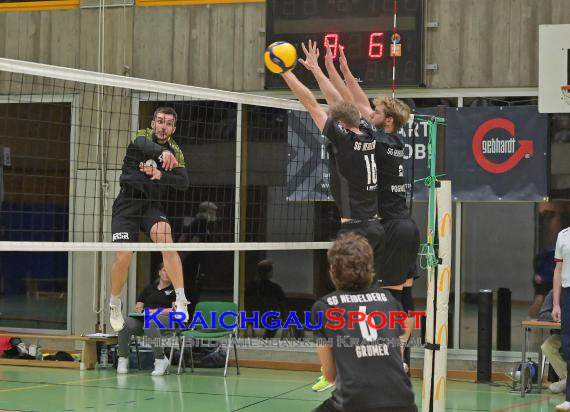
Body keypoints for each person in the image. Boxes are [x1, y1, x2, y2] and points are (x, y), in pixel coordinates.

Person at [279, 42, 386, 294]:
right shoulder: (368, 131)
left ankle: (354, 334)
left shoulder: (345, 141)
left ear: (339, 124)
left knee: (350, 294)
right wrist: (317, 69)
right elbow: (338, 102)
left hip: (356, 229)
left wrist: (286, 71)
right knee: (371, 292)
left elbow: (311, 104)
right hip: (376, 227)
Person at [310, 233, 417, 412]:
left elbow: (330, 376)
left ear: (332, 270)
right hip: (404, 403)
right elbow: (397, 359)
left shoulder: (324, 307)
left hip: (355, 403)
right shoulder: (389, 301)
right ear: (370, 269)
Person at [109, 106, 190, 332]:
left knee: (166, 240)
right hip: (127, 204)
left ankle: (181, 299)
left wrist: (161, 174)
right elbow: (144, 145)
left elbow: (183, 182)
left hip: (151, 206)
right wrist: (161, 153)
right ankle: (115, 303)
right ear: (153, 123)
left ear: (173, 128)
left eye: (168, 123)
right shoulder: (141, 136)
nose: (163, 127)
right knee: (124, 257)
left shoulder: (176, 151)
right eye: (160, 121)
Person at [116, 262, 175, 376]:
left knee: (151, 322)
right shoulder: (149, 288)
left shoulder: (175, 291)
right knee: (123, 323)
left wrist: (157, 311)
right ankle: (123, 358)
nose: (167, 273)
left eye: (170, 271)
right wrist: (139, 309)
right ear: (159, 273)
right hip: (144, 319)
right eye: (164, 270)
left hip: (167, 320)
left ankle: (160, 359)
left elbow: (175, 310)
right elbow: (139, 305)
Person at [178, 201, 218, 313]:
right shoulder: (201, 221)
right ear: (208, 211)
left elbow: (183, 237)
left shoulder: (197, 222)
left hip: (194, 262)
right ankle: (190, 316)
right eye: (214, 210)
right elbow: (193, 240)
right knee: (192, 289)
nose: (215, 213)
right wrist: (181, 259)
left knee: (193, 288)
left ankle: (190, 314)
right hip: (193, 263)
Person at [552, 226, 570, 411]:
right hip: (568, 294)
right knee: (568, 347)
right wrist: (556, 304)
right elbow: (558, 269)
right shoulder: (563, 235)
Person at [245, 260, 286, 338]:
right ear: (270, 272)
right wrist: (284, 318)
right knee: (275, 320)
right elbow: (282, 304)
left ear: (257, 272)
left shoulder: (250, 286)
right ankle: (267, 338)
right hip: (269, 320)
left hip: (252, 318)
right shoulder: (275, 288)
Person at [537, 289, 566, 393]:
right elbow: (542, 315)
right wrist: (560, 316)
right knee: (547, 346)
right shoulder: (555, 292)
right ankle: (567, 378)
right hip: (563, 334)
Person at [529, 248, 555, 318]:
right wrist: (537, 273)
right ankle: (530, 317)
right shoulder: (549, 252)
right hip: (542, 281)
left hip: (553, 281)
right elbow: (536, 260)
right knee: (539, 299)